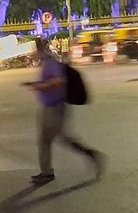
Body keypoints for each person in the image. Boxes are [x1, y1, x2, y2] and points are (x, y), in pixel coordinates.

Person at [24, 38, 103, 185]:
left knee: (65, 139)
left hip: (55, 108)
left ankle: (91, 155)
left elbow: (59, 81)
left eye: (34, 50)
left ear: (39, 50)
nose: (32, 53)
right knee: (44, 140)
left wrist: (41, 87)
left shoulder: (50, 62)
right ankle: (47, 172)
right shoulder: (47, 62)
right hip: (48, 107)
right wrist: (36, 84)